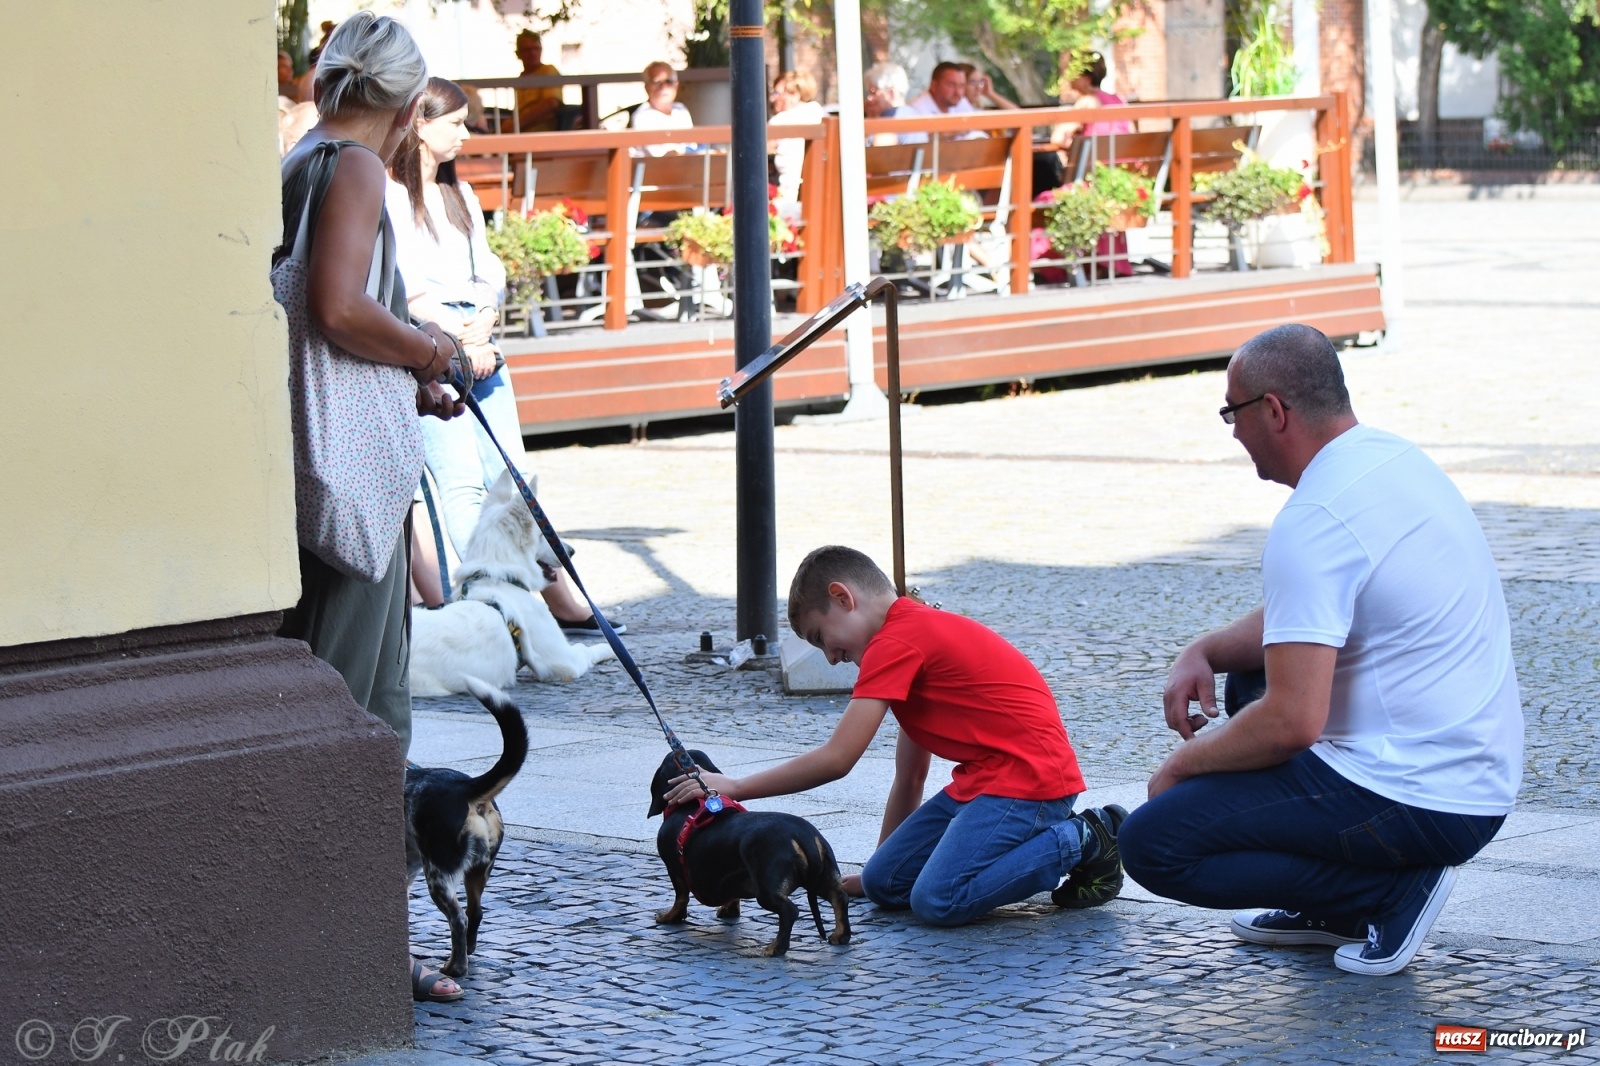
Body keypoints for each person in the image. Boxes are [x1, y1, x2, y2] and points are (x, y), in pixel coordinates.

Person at [1119, 324, 1523, 977]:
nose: (1233, 432)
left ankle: (1383, 893)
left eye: (1233, 412)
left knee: (1154, 842)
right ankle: (1329, 907)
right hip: (1476, 777)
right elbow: (1309, 614)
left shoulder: (1314, 519)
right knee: (1246, 676)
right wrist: (1208, 649)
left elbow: (1292, 722)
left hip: (1421, 798)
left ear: (1274, 411)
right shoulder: (1389, 458)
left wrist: (1183, 767)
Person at [273, 10, 467, 1005]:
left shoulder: (298, 160)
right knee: (362, 719)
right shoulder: (351, 168)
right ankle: (355, 951)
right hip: (351, 491)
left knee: (323, 705)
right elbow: (339, 308)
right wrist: (431, 349)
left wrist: (401, 376)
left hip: (307, 472)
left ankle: (332, 940)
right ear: (407, 103)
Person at [661, 545, 1128, 927]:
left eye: (820, 637)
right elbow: (911, 776)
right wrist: (878, 872)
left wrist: (737, 786)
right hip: (987, 783)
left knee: (938, 900)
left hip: (1031, 783)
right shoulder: (907, 635)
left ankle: (1086, 837)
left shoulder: (895, 643)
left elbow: (838, 758)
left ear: (842, 597)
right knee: (885, 885)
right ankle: (1044, 842)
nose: (830, 658)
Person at [387, 77, 613, 631]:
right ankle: (498, 604)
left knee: (513, 475)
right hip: (432, 343)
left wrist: (486, 316)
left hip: (478, 337)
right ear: (421, 125)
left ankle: (552, 598)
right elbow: (403, 283)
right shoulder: (391, 195)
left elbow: (487, 267)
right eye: (456, 123)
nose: (466, 134)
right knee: (462, 483)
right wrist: (459, 336)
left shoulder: (459, 195)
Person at [1049, 52, 1132, 156]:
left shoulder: (1087, 101)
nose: (1069, 77)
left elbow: (1057, 139)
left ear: (1087, 79)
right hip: (1123, 160)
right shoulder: (1118, 100)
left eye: (1073, 73)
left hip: (1098, 162)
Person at [769, 69, 825, 206]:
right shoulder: (820, 115)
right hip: (819, 196)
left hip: (788, 197)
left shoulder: (780, 121)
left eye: (777, 93)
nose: (772, 99)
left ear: (795, 95)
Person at [631, 61, 694, 156]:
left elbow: (691, 146)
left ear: (676, 84)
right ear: (647, 87)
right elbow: (660, 156)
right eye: (657, 82)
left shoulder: (680, 110)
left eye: (669, 81)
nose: (664, 87)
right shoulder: (642, 117)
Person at [513, 29, 562, 132]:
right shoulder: (520, 78)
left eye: (536, 48)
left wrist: (516, 124)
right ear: (518, 53)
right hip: (520, 132)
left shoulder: (548, 70)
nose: (533, 53)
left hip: (541, 133)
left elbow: (551, 104)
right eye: (527, 50)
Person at [863, 61, 922, 147]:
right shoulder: (914, 113)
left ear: (891, 92)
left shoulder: (888, 118)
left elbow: (879, 151)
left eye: (874, 92)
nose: (869, 98)